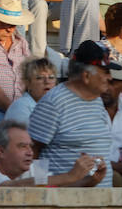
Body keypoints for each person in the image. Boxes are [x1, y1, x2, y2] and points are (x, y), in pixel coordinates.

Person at [27, 41, 114, 187]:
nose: (110, 78)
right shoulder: (54, 102)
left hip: (100, 201)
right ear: (86, 76)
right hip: (66, 202)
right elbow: (33, 151)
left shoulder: (97, 100)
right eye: (105, 72)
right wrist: (40, 190)